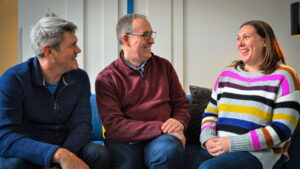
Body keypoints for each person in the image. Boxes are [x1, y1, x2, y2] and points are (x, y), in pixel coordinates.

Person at [0, 17, 110, 169]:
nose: (78, 50)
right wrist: (55, 155)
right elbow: (5, 136)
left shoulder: (80, 78)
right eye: (72, 45)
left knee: (99, 154)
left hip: (68, 147)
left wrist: (65, 157)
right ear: (49, 51)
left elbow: (82, 126)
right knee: (13, 165)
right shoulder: (13, 79)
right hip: (31, 152)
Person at [198, 20, 300, 169]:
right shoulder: (227, 74)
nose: (240, 43)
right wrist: (207, 139)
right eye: (238, 38)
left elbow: (282, 129)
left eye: (246, 37)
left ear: (265, 41)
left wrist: (232, 144)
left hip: (259, 153)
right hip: (219, 148)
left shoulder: (285, 75)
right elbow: (210, 114)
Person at [95, 13, 190, 169]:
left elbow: (182, 105)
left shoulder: (164, 66)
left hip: (161, 140)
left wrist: (178, 122)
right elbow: (114, 126)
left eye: (151, 34)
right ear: (126, 39)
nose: (152, 40)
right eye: (146, 35)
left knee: (168, 150)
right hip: (125, 141)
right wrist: (160, 128)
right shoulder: (106, 78)